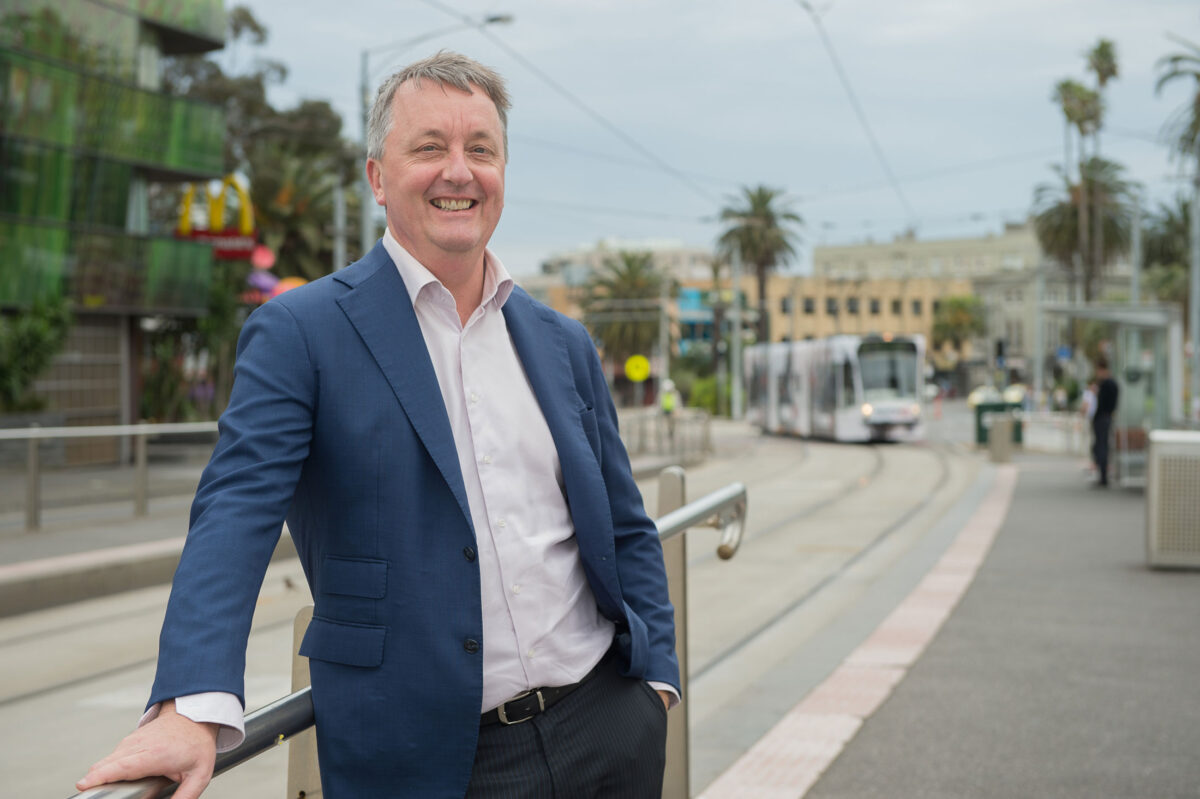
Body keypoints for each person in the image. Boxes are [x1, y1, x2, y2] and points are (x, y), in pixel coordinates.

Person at [77, 51, 678, 799]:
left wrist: (654, 683)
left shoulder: (562, 342)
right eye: (429, 147)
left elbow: (624, 525)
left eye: (480, 150)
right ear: (377, 177)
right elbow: (235, 510)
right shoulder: (301, 331)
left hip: (605, 733)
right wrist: (190, 704)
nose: (459, 172)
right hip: (428, 761)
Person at [1092, 357, 1119, 487]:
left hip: (1102, 418)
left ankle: (1103, 476)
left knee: (1101, 446)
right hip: (1107, 417)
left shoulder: (1105, 384)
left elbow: (1101, 404)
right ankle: (1103, 475)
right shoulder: (1112, 383)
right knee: (1103, 446)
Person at [1079, 379, 1097, 475]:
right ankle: (1092, 463)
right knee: (1092, 441)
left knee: (1091, 441)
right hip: (1091, 419)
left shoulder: (1089, 394)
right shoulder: (1091, 394)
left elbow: (1084, 406)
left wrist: (1082, 414)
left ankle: (1093, 463)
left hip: (1091, 419)